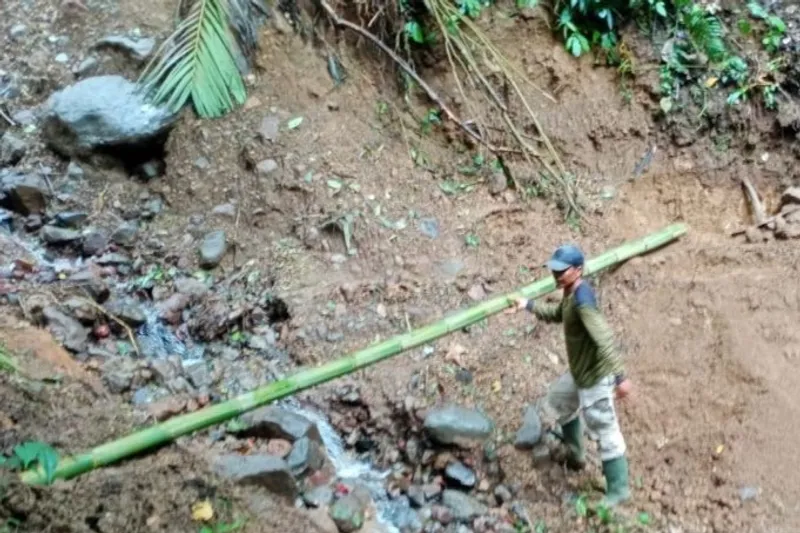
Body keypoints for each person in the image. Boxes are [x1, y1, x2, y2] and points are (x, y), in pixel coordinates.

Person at [514, 243, 632, 507]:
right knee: (558, 401)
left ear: (577, 271)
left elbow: (603, 337)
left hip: (595, 375)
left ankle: (618, 489)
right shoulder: (569, 293)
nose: (555, 276)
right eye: (554, 271)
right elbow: (558, 314)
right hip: (578, 373)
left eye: (561, 271)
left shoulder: (583, 299)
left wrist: (620, 377)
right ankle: (576, 454)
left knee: (604, 428)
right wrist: (528, 305)